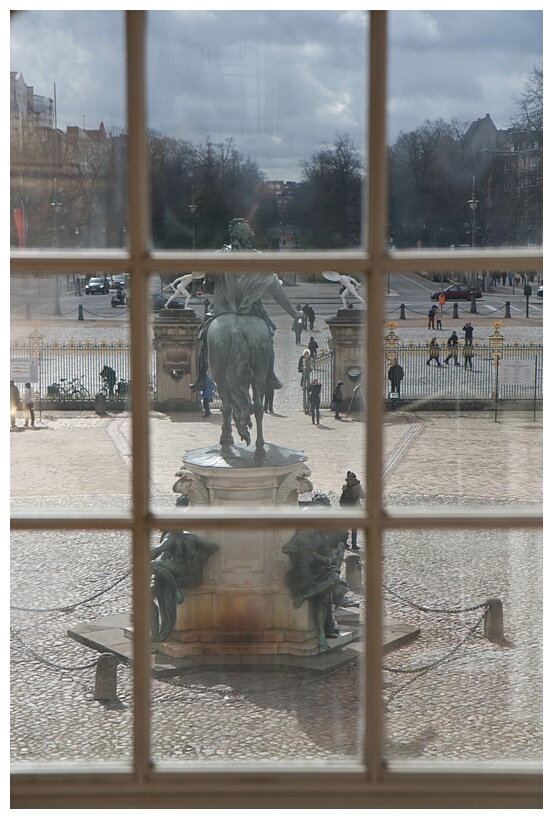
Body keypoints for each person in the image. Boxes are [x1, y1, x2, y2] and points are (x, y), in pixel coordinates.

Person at [339, 471, 366, 551]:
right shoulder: (357, 487)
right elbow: (363, 496)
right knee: (354, 527)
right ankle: (354, 544)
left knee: (346, 527)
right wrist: (360, 486)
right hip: (355, 509)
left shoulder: (344, 486)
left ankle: (344, 542)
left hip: (346, 509)